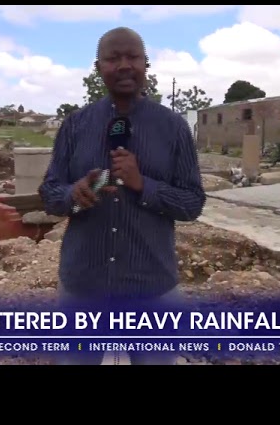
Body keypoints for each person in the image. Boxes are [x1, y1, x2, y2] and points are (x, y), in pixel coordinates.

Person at [38, 27, 206, 365]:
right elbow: (49, 193)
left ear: (146, 64)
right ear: (98, 66)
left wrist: (143, 184)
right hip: (83, 287)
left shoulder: (173, 128)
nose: (124, 65)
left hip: (152, 288)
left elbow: (192, 202)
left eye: (133, 57)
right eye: (113, 58)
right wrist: (74, 193)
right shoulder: (75, 126)